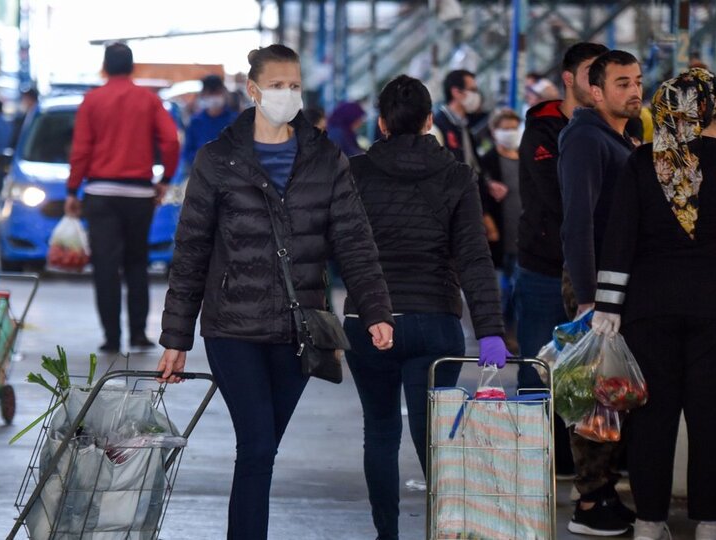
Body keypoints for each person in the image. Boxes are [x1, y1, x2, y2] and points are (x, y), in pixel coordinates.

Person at [156, 44, 394, 540]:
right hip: (232, 328)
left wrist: (375, 310)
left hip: (300, 330)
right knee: (259, 446)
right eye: (279, 85)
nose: (288, 94)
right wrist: (175, 338)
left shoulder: (326, 159)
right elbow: (192, 249)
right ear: (254, 89)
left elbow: (354, 239)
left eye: (295, 85)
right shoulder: (218, 160)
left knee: (261, 449)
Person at [592, 68, 716, 540]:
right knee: (709, 418)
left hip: (650, 309)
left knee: (653, 418)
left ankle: (648, 522)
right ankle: (710, 522)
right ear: (712, 112)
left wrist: (607, 309)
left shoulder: (643, 163)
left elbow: (618, 239)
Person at [345, 74, 506, 540]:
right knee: (436, 437)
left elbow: (338, 247)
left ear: (381, 124)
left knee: (379, 431)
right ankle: (447, 530)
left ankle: (387, 535)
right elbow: (475, 257)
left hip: (369, 321)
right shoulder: (457, 175)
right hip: (435, 324)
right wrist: (490, 328)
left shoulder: (355, 173)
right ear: (431, 121)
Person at [514, 42, 609, 478]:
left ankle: (581, 463)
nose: (598, 82)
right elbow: (562, 201)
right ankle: (537, 461)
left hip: (594, 273)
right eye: (593, 72)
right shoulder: (542, 130)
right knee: (538, 369)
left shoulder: (614, 132)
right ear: (569, 78)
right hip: (544, 268)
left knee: (588, 375)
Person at [558, 49, 642, 536]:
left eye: (636, 81)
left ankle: (604, 488)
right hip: (594, 287)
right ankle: (589, 502)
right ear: (595, 90)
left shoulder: (618, 137)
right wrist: (589, 299)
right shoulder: (586, 139)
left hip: (615, 284)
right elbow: (577, 221)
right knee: (591, 395)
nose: (633, 91)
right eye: (621, 83)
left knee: (611, 391)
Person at [64, 42, 180, 353]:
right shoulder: (148, 100)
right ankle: (139, 334)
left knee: (105, 267)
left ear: (105, 66)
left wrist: (73, 190)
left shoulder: (92, 100)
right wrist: (165, 179)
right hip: (139, 194)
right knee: (136, 264)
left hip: (100, 193)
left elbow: (81, 149)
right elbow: (170, 140)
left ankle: (112, 338)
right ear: (132, 67)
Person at [479, 108, 523, 302]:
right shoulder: (486, 162)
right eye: (506, 128)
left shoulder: (526, 159)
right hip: (498, 238)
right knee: (499, 294)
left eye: (514, 128)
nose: (511, 133)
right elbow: (481, 198)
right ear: (494, 131)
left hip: (524, 238)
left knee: (521, 292)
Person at [180, 74, 239, 173]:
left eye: (217, 93)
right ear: (203, 95)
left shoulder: (236, 120)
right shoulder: (196, 122)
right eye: (210, 93)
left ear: (224, 93)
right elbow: (187, 152)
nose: (214, 97)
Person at [434, 69, 488, 169]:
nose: (477, 96)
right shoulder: (438, 125)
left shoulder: (464, 124)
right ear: (456, 92)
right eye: (473, 90)